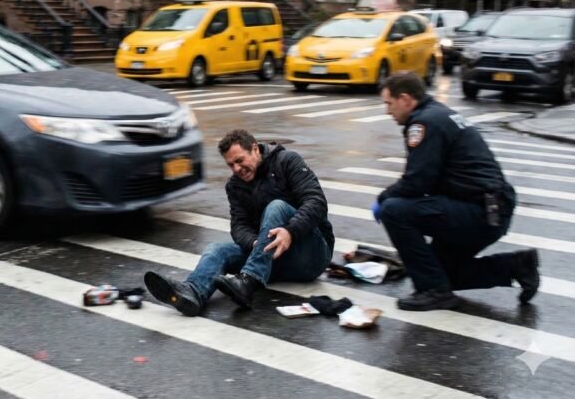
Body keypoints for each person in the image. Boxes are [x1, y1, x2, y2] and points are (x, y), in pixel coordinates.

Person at [374, 72, 539, 311]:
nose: (387, 111)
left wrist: (382, 199)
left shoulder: (424, 123)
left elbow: (416, 182)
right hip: (488, 208)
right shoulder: (438, 114)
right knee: (440, 272)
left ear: (406, 99)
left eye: (389, 103)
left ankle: (433, 292)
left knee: (394, 210)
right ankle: (516, 266)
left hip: (480, 211)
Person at [144, 129, 334, 315]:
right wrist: (255, 243)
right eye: (231, 165)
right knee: (217, 250)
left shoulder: (287, 161)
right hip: (272, 257)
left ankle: (249, 280)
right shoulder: (234, 186)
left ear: (255, 149)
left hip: (311, 255)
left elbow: (316, 202)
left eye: (240, 160)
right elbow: (238, 226)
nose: (236, 169)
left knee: (276, 207)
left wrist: (290, 231)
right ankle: (193, 293)